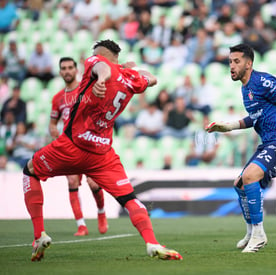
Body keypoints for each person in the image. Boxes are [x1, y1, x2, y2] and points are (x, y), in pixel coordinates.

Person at [23, 40, 182, 261]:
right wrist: (128, 70)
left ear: (100, 54)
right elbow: (152, 78)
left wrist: (104, 77)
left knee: (30, 171)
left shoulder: (97, 62)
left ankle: (39, 234)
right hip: (102, 154)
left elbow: (102, 68)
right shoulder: (130, 79)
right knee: (129, 199)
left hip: (72, 146)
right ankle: (151, 242)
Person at [206, 44, 276, 253]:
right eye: (230, 62)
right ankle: (251, 232)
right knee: (239, 184)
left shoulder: (264, 81)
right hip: (268, 143)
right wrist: (229, 126)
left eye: (236, 61)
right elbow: (256, 117)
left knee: (249, 177)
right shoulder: (245, 87)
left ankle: (259, 234)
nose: (231, 66)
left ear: (249, 64)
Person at [49, 57, 108, 236]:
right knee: (72, 181)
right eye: (63, 68)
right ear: (60, 72)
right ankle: (81, 225)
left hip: (88, 144)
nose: (67, 71)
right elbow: (53, 123)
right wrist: (56, 134)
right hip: (69, 146)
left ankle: (101, 212)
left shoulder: (85, 91)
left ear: (76, 70)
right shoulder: (58, 98)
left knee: (94, 183)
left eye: (70, 67)